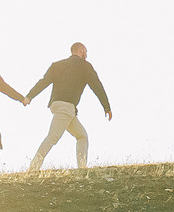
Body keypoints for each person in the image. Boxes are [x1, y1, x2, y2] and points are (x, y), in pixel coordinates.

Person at [23, 42, 111, 170]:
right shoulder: (85, 66)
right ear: (81, 50)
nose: (86, 54)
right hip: (66, 106)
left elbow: (43, 82)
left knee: (82, 136)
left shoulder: (57, 65)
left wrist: (29, 96)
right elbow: (97, 86)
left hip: (59, 105)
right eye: (85, 51)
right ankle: (33, 167)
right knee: (53, 136)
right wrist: (106, 106)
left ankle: (82, 168)